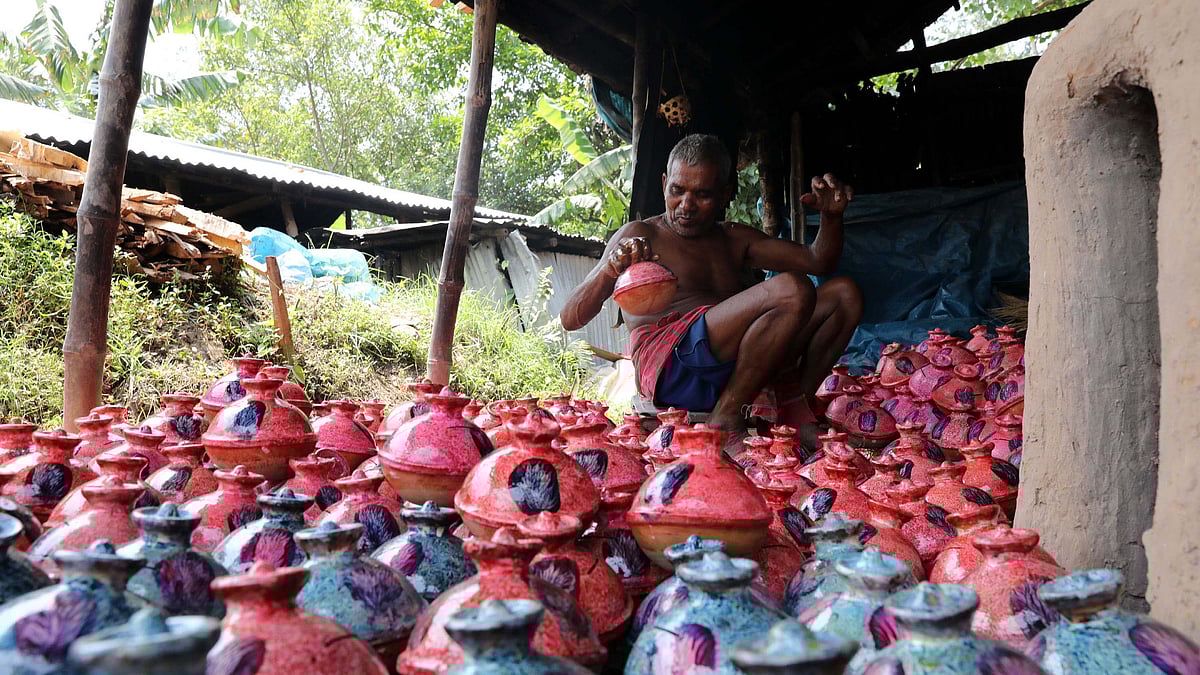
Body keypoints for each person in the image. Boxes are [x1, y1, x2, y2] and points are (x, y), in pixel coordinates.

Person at [560, 134, 863, 453]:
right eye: (677, 190)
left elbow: (818, 260)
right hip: (673, 371)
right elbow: (570, 318)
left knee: (845, 294)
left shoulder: (732, 238)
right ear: (664, 184)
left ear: (725, 195)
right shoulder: (641, 235)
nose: (686, 205)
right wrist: (611, 268)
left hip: (735, 365)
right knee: (793, 290)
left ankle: (792, 412)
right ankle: (726, 418)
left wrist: (831, 217)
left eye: (702, 194)